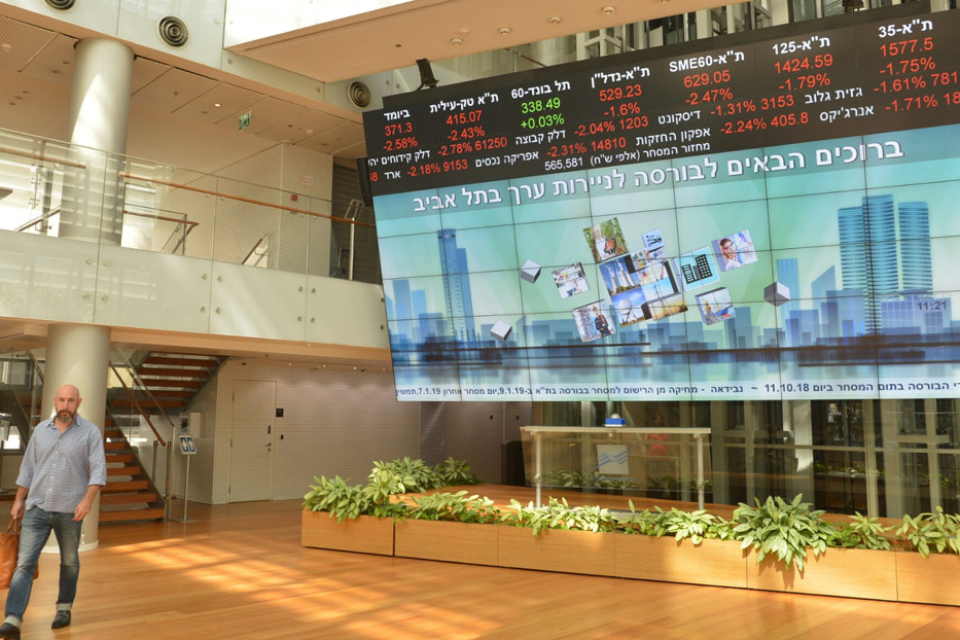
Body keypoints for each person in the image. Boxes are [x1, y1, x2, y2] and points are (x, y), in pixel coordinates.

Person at [0, 384, 107, 639]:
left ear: (78, 402)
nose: (65, 406)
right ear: (55, 401)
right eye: (62, 400)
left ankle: (63, 608)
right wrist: (18, 500)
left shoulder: (90, 433)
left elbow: (98, 470)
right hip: (36, 507)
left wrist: (88, 500)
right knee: (24, 564)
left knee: (69, 562)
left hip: (70, 510)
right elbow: (28, 469)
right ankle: (12, 620)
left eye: (70, 401)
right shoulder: (40, 431)